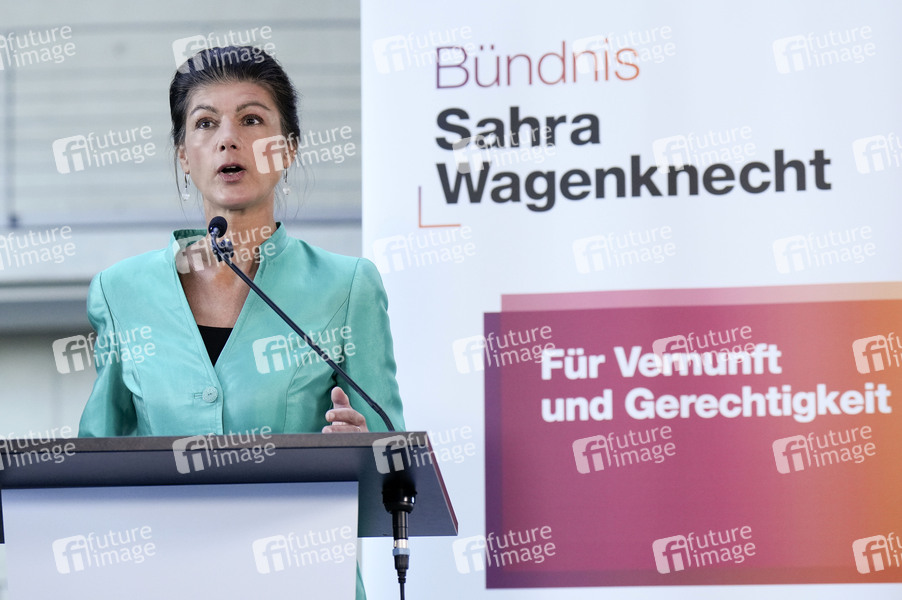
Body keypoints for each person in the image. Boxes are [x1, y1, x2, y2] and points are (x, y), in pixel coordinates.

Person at [78, 46, 404, 599]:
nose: (228, 138)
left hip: (305, 581)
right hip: (166, 580)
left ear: (288, 149)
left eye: (252, 119)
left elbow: (394, 466)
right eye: (206, 123)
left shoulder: (348, 285)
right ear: (184, 155)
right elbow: (94, 460)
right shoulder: (120, 291)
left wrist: (361, 446)